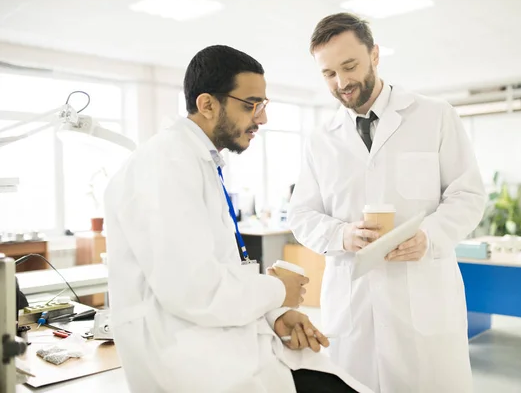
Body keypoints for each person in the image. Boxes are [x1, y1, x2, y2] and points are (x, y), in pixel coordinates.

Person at [104, 45, 372, 393]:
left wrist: (273, 315)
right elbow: (195, 291)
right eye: (251, 105)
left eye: (263, 105)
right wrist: (278, 292)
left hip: (226, 345)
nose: (261, 118)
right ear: (207, 104)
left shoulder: (198, 162)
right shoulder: (164, 166)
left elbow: (219, 269)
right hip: (193, 364)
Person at [288, 13, 486, 393]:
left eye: (350, 66)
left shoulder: (434, 116)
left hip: (423, 300)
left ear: (375, 55)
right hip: (354, 308)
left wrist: (428, 235)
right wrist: (341, 235)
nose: (342, 82)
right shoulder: (320, 139)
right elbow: (301, 214)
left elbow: (468, 195)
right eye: (329, 74)